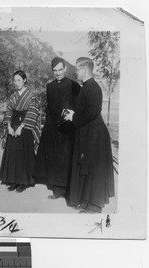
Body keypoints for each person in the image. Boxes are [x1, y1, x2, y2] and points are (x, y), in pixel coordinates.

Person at [64, 57, 115, 213]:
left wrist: (74, 117)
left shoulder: (92, 87)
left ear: (84, 70)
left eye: (77, 70)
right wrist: (75, 113)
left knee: (94, 169)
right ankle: (87, 202)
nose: (75, 72)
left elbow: (92, 112)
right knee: (88, 168)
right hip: (90, 132)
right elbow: (87, 110)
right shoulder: (88, 86)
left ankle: (94, 206)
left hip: (95, 135)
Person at [33, 57, 81, 199]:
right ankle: (57, 190)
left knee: (66, 157)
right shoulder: (50, 87)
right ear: (52, 71)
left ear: (65, 68)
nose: (58, 73)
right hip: (53, 128)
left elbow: (78, 107)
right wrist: (46, 126)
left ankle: (67, 190)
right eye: (55, 70)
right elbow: (49, 108)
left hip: (68, 128)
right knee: (54, 157)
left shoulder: (74, 85)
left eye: (60, 69)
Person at [0, 70, 41, 193]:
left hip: (25, 126)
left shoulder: (31, 96)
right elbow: (8, 112)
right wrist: (9, 127)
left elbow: (33, 113)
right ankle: (13, 180)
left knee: (23, 154)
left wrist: (21, 127)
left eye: (19, 80)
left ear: (24, 80)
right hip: (13, 125)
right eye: (14, 80)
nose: (16, 83)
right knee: (12, 152)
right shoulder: (13, 96)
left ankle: (23, 181)